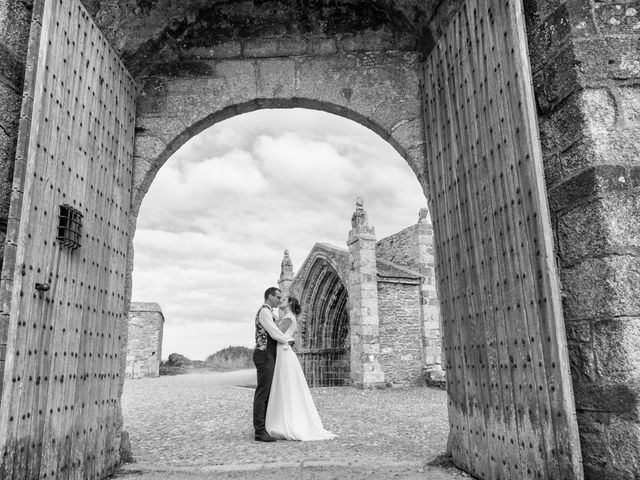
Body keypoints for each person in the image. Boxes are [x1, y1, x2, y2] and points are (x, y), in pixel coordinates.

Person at [265, 296, 336, 441]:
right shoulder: (289, 317)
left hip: (284, 352)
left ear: (290, 303)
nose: (281, 301)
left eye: (284, 299)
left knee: (285, 385)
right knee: (287, 385)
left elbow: (276, 335)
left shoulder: (288, 318)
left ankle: (287, 421)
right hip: (284, 351)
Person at [253, 287, 294, 442]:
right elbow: (273, 332)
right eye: (277, 297)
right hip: (263, 354)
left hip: (269, 354)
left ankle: (265, 427)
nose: (279, 300)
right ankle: (259, 432)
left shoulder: (271, 313)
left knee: (268, 392)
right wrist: (288, 340)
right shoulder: (264, 312)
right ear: (269, 296)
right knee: (262, 392)